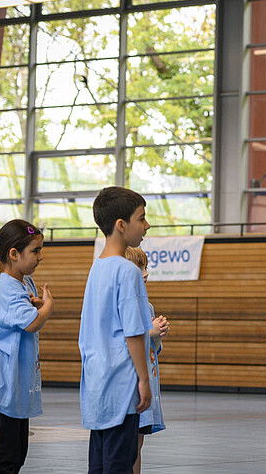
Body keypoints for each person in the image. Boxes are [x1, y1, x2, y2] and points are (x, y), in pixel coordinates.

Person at [79, 186, 154, 473]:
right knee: (119, 465)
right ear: (121, 225)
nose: (146, 225)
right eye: (141, 218)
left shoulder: (96, 268)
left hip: (97, 386)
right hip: (121, 386)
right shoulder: (128, 271)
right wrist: (144, 381)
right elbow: (134, 332)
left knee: (99, 466)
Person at [0, 219, 54, 474]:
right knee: (5, 455)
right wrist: (48, 306)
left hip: (15, 382)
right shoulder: (6, 286)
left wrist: (36, 303)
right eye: (35, 251)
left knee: (18, 452)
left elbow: (26, 310)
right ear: (14, 254)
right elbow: (31, 324)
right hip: (2, 382)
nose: (41, 257)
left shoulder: (24, 281)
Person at [123, 246, 169, 474]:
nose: (145, 273)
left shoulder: (147, 305)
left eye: (146, 267)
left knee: (138, 443)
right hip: (130, 385)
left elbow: (152, 349)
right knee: (127, 444)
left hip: (147, 383)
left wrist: (158, 336)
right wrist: (148, 331)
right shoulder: (123, 303)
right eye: (139, 268)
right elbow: (124, 339)